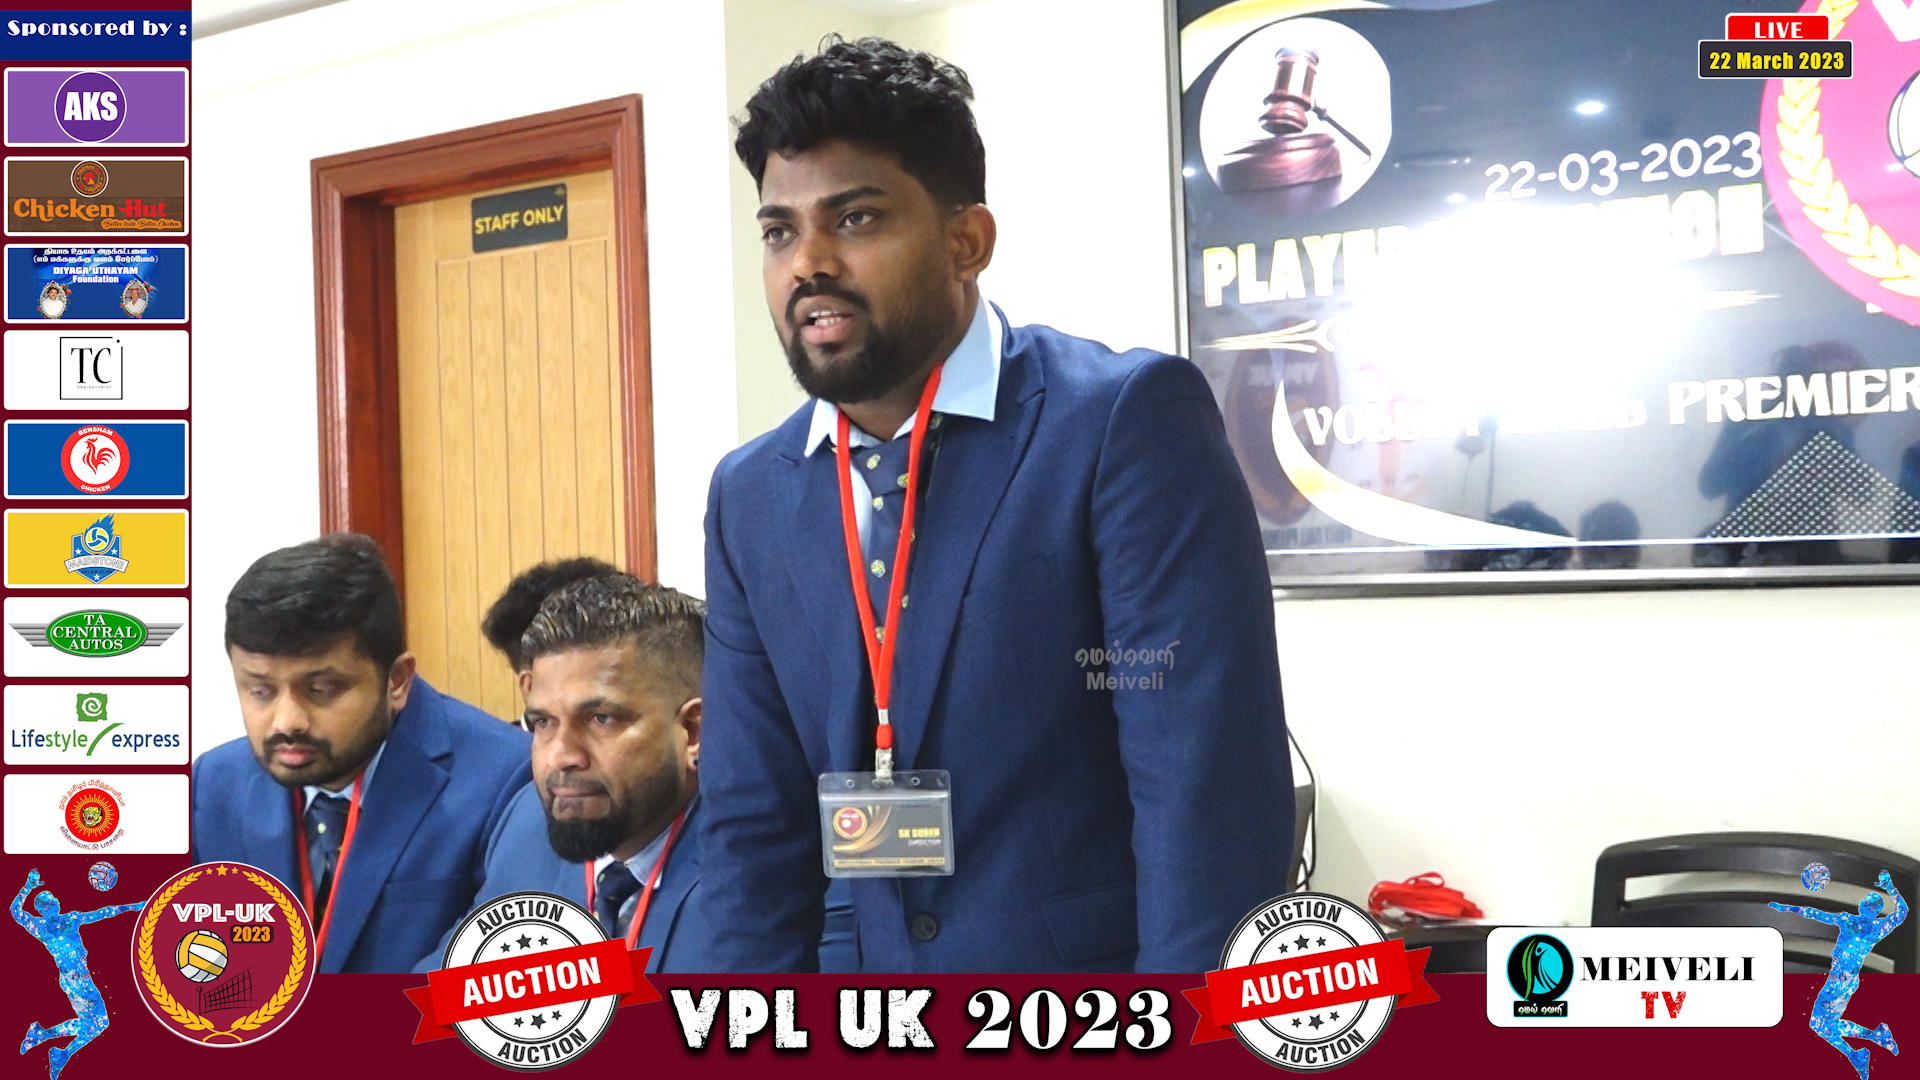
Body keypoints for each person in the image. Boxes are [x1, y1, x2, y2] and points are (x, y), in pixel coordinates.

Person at [696, 36, 1293, 973]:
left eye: (855, 218)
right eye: (779, 231)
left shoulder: (1119, 425)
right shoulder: (751, 497)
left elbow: (1206, 801)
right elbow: (751, 842)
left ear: (966, 242)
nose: (808, 263)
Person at [191, 534, 531, 973]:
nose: (287, 721)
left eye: (321, 689)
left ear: (397, 680)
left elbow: (485, 975)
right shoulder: (214, 782)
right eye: (260, 690)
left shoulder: (507, 778)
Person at [420, 575, 708, 972]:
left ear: (693, 731)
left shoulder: (761, 861)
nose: (560, 756)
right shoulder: (529, 823)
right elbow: (440, 993)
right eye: (542, 722)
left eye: (601, 718)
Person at [1772, 872, 1907, 1080]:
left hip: (1842, 982)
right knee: (1825, 1024)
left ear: (1874, 910)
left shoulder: (1867, 925)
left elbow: (1903, 913)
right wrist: (1788, 908)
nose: (1865, 905)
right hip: (1844, 981)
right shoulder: (1862, 924)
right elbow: (1818, 914)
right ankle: (1875, 1039)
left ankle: (1861, 1051)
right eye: (1865, 901)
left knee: (1819, 1023)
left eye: (1870, 904)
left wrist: (1890, 887)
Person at [14, 870, 143, 1080]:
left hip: (74, 980)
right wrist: (28, 885)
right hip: (76, 982)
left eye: (54, 899)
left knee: (93, 1023)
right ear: (44, 909)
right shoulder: (57, 923)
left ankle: (43, 1038)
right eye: (50, 901)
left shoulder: (50, 924)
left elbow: (102, 912)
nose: (55, 901)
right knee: (98, 1023)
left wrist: (133, 907)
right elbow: (103, 912)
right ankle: (56, 1049)